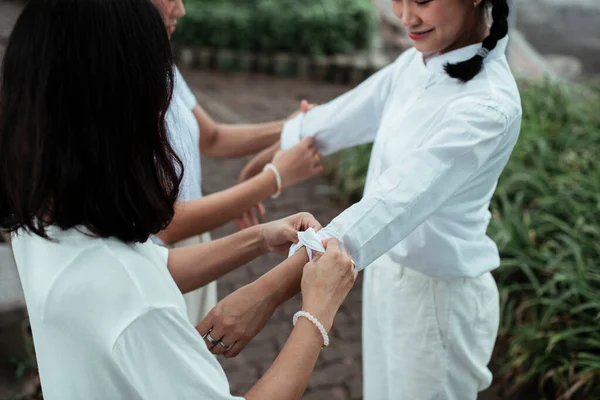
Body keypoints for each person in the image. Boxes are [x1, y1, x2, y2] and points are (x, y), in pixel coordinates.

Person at [0, 1, 357, 399]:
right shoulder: (139, 306)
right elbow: (138, 286)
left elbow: (156, 264)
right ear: (123, 116)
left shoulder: (40, 219)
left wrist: (258, 239)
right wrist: (317, 314)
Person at [200, 0, 522, 398]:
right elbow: (343, 115)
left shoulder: (488, 106)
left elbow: (393, 203)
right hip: (386, 275)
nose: (405, 17)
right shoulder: (418, 61)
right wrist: (270, 163)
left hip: (438, 302)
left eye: (421, 0)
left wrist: (269, 290)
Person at [150, 0, 322, 325]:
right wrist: (273, 177)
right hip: (162, 263)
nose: (181, 9)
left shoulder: (160, 64)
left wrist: (293, 128)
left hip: (192, 248)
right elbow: (167, 224)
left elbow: (212, 137)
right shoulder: (116, 84)